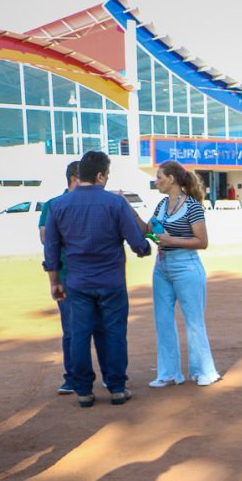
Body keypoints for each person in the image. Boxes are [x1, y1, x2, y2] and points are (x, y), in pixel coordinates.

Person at [43, 150, 151, 408]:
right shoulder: (115, 204)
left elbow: (51, 247)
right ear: (101, 175)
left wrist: (54, 280)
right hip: (111, 281)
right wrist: (144, 249)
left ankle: (83, 391)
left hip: (77, 282)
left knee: (79, 334)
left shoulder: (59, 205)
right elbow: (137, 241)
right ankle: (116, 387)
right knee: (114, 333)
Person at [140, 160, 221, 388]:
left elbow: (202, 242)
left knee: (194, 321)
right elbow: (147, 229)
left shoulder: (193, 205)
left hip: (186, 266)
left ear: (171, 179)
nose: (156, 181)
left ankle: (205, 371)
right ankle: (168, 373)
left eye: (159, 177)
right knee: (163, 321)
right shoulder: (162, 205)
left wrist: (170, 240)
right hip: (162, 266)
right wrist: (125, 207)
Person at [39, 161, 107, 394]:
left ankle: (109, 376)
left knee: (101, 328)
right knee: (72, 330)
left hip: (96, 275)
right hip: (68, 276)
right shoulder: (53, 204)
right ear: (74, 179)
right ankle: (74, 378)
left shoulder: (93, 201)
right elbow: (45, 237)